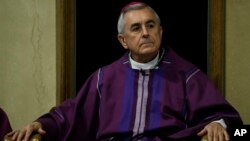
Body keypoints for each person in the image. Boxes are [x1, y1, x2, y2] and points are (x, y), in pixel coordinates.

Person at [7, 1, 242, 141]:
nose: (145, 33)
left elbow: (222, 115)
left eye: (151, 26)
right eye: (136, 28)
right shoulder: (104, 78)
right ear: (123, 40)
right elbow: (70, 115)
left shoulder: (186, 75)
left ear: (161, 31)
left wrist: (217, 124)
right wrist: (42, 124)